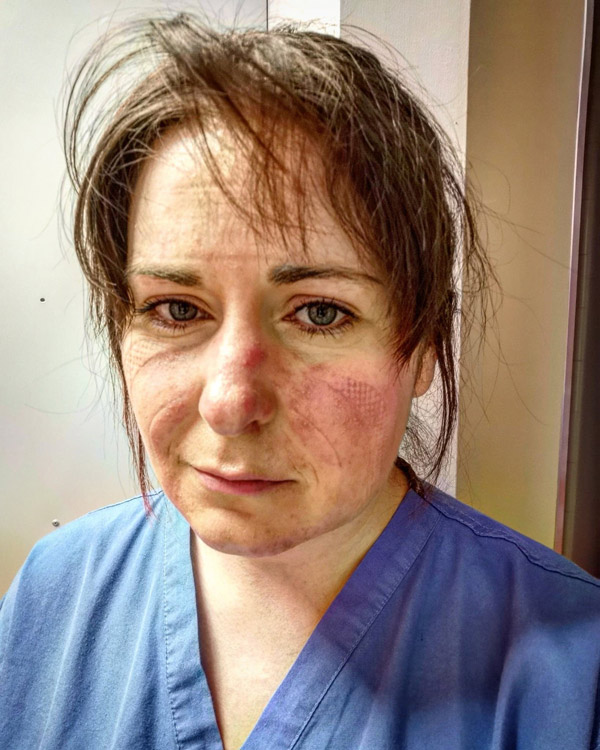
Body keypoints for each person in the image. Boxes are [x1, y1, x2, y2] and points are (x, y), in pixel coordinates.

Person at [1, 13, 599, 750]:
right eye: (176, 309)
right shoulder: (53, 596)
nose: (230, 403)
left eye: (320, 313)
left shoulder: (574, 676)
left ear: (421, 346)